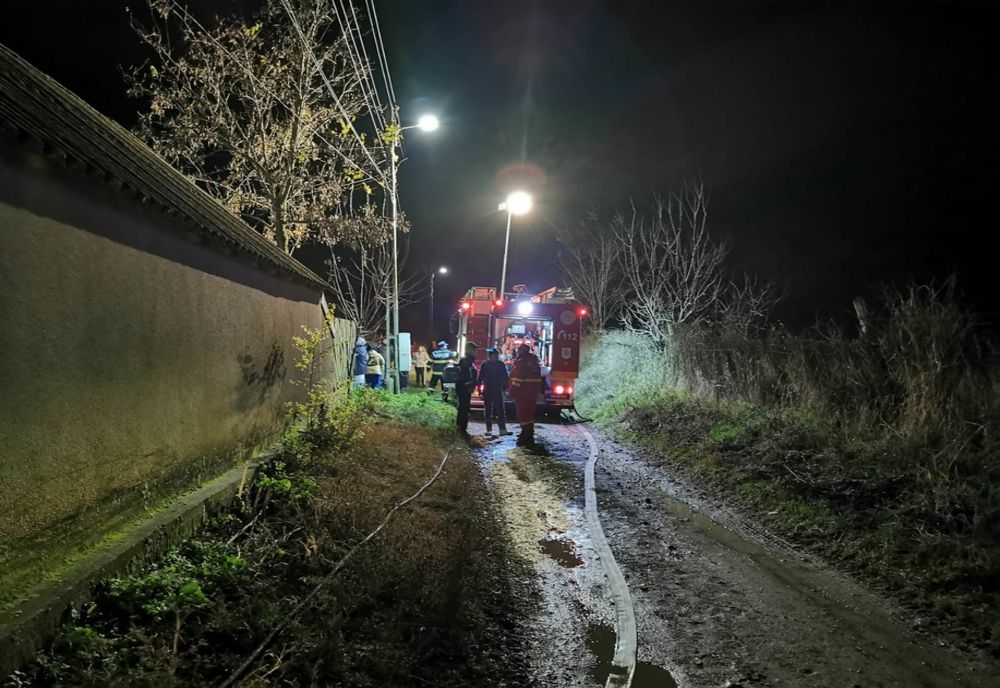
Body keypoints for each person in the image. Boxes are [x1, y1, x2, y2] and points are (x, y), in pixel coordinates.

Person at [508, 343, 542, 446]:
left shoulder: (523, 362)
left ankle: (526, 437)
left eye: (519, 350)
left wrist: (511, 391)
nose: (518, 352)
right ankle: (527, 433)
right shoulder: (533, 362)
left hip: (523, 393)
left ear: (522, 351)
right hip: (531, 394)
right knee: (529, 414)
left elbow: (518, 379)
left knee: (523, 414)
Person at [478, 348, 511, 437]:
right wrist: (479, 389)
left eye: (497, 355)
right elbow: (480, 377)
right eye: (495, 355)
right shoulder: (485, 365)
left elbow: (505, 377)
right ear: (490, 356)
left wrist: (505, 388)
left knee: (500, 410)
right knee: (488, 410)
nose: (496, 357)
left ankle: (502, 430)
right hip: (488, 390)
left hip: (497, 389)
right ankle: (489, 430)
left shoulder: (500, 364)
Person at [455, 342, 479, 435]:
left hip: (464, 387)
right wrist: (469, 385)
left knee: (464, 408)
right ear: (470, 350)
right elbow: (466, 376)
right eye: (474, 349)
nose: (475, 351)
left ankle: (462, 428)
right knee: (463, 408)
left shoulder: (469, 361)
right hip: (464, 388)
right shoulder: (466, 361)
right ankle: (461, 429)